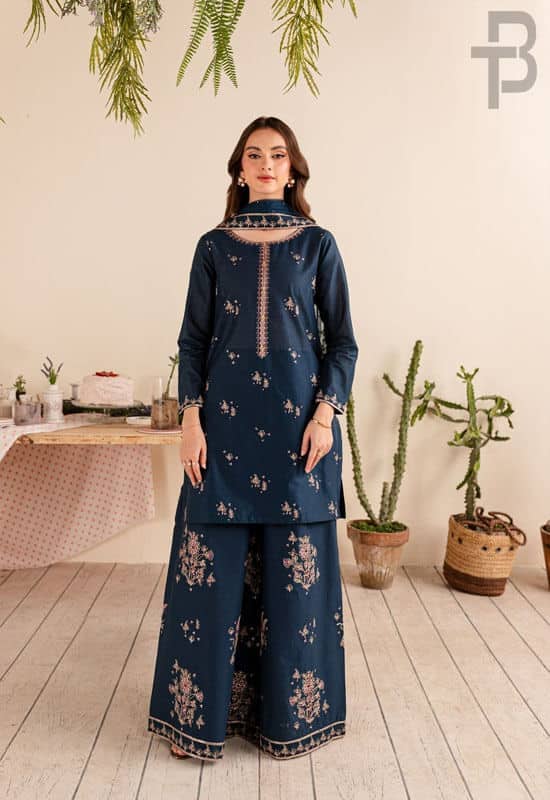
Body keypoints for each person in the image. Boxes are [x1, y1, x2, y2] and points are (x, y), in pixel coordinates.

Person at [147, 116, 359, 761]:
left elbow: (343, 342)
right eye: (254, 154)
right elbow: (192, 341)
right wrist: (191, 422)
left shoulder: (319, 244)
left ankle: (292, 722)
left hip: (301, 439)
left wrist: (324, 416)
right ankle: (198, 721)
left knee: (297, 589)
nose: (267, 163)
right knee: (209, 586)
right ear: (239, 170)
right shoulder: (213, 247)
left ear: (293, 170)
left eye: (278, 154)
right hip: (222, 436)